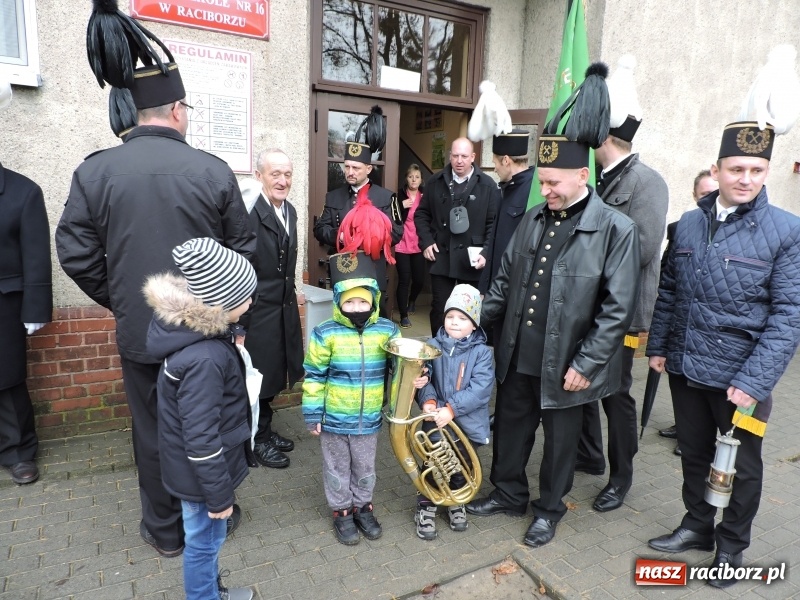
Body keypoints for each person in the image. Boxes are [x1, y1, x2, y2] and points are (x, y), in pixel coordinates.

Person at [56, 3, 255, 557]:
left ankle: (166, 533)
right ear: (176, 110)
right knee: (205, 424)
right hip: (205, 331)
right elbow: (244, 251)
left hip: (141, 333)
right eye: (187, 107)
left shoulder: (94, 170)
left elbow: (74, 251)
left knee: (152, 432)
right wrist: (223, 313)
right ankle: (213, 517)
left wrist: (122, 298)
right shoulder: (212, 170)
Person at [465, 64, 641, 548]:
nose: (546, 192)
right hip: (519, 351)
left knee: (561, 443)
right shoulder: (534, 216)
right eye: (542, 182)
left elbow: (617, 308)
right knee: (513, 428)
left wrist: (587, 364)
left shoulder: (615, 230)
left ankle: (548, 509)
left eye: (555, 183)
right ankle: (507, 493)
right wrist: (473, 321)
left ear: (583, 175)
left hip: (568, 361)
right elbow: (504, 279)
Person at [646, 85, 800, 587]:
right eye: (737, 169)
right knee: (693, 452)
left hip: (742, 380)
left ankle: (732, 547)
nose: (747, 179)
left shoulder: (786, 231)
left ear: (766, 173)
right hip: (688, 369)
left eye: (757, 171)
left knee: (744, 468)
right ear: (716, 170)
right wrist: (659, 348)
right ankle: (697, 525)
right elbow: (669, 290)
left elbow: (788, 316)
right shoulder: (688, 225)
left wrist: (754, 382)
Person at [575, 54, 670, 513]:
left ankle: (621, 476)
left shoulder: (648, 182)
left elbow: (643, 249)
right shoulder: (598, 179)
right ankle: (592, 457)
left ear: (604, 136)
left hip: (623, 310)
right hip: (589, 306)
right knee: (588, 384)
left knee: (616, 396)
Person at [144, 238, 257, 600]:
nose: (251, 301)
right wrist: (219, 496)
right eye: (245, 295)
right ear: (222, 302)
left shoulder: (199, 339)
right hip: (202, 479)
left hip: (195, 473)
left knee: (206, 543)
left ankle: (209, 589)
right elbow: (201, 435)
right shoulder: (205, 359)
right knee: (204, 544)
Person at [302, 253, 406, 545]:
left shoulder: (387, 331)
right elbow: (314, 376)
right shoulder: (325, 334)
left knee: (365, 468)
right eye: (349, 301)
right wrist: (313, 414)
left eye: (363, 301)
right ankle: (342, 512)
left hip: (368, 419)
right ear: (338, 302)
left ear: (374, 300)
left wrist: (417, 378)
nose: (356, 307)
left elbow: (398, 367)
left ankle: (363, 508)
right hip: (333, 420)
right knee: (336, 468)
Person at [239, 149, 304, 470]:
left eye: (288, 174)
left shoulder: (289, 210)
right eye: (275, 174)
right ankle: (255, 440)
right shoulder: (248, 214)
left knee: (276, 372)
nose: (283, 181)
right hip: (256, 311)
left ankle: (264, 427)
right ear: (259, 175)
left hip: (283, 307)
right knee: (258, 375)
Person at [414, 284, 493, 541]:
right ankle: (427, 505)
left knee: (461, 465)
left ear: (474, 325)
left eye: (463, 318)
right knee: (431, 463)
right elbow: (424, 380)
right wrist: (427, 402)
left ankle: (455, 500)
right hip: (435, 419)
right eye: (450, 316)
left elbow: (480, 389)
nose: (455, 322)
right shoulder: (431, 346)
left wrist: (451, 409)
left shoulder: (482, 353)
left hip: (466, 423)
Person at [313, 108, 403, 316]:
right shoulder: (332, 197)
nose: (350, 173)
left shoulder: (387, 197)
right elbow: (319, 229)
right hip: (343, 272)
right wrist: (341, 236)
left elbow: (398, 233)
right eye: (347, 167)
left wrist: (374, 236)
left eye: (356, 168)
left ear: (369, 169)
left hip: (373, 272)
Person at [0, 133, 52, 484]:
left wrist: (35, 308)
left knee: (7, 379)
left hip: (5, 302)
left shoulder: (23, 192)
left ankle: (18, 450)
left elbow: (36, 256)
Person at [657, 169, 718, 455]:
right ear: (695, 195)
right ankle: (683, 427)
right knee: (682, 384)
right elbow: (668, 273)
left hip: (711, 333)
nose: (710, 197)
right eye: (704, 193)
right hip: (681, 325)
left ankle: (693, 435)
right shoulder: (681, 227)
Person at [415, 137, 498, 336]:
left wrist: (486, 252)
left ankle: (466, 355)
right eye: (455, 155)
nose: (459, 160)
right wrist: (426, 241)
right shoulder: (435, 182)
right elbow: (421, 214)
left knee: (467, 312)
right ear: (450, 156)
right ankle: (439, 350)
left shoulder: (488, 186)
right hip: (441, 257)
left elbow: (493, 224)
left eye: (464, 156)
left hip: (472, 260)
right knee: (439, 308)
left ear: (473, 157)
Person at [478, 130, 534, 344]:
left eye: (496, 163)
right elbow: (494, 242)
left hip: (516, 293)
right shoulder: (506, 189)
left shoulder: (533, 190)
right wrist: (485, 288)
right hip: (499, 291)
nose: (494, 168)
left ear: (507, 160)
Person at [394, 164, 426, 329]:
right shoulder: (398, 196)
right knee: (404, 280)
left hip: (419, 244)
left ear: (421, 180)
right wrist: (401, 207)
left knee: (419, 280)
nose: (414, 180)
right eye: (411, 176)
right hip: (402, 244)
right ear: (406, 178)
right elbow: (390, 216)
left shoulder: (424, 196)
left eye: (417, 177)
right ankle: (403, 315)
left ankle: (412, 300)